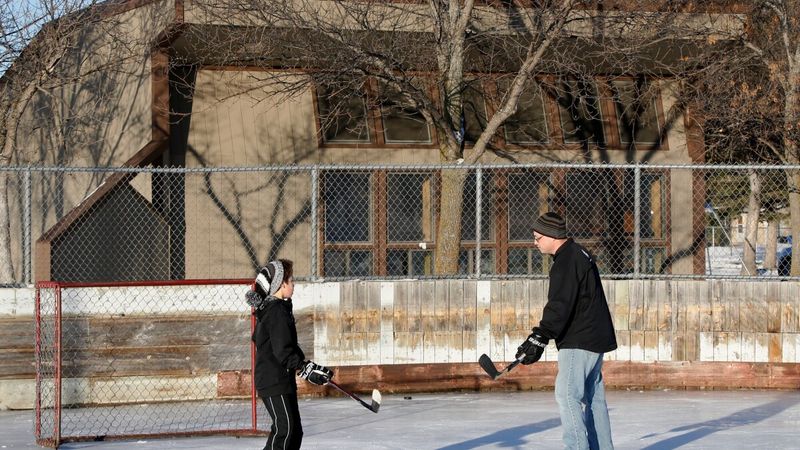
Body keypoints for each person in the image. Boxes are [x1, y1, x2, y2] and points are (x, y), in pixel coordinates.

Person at [516, 212, 617, 450]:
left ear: (552, 235)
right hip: (594, 338)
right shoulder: (579, 253)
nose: (535, 243)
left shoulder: (566, 261)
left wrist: (541, 334)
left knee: (567, 396)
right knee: (593, 399)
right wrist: (542, 335)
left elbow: (560, 303)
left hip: (579, 341)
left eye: (537, 237)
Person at [245, 259, 333, 450]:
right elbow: (283, 351)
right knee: (285, 430)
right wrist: (303, 368)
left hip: (280, 380)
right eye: (291, 281)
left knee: (293, 431)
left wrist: (308, 366)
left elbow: (288, 345)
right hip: (273, 381)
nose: (293, 284)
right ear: (281, 284)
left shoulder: (276, 309)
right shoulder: (275, 311)